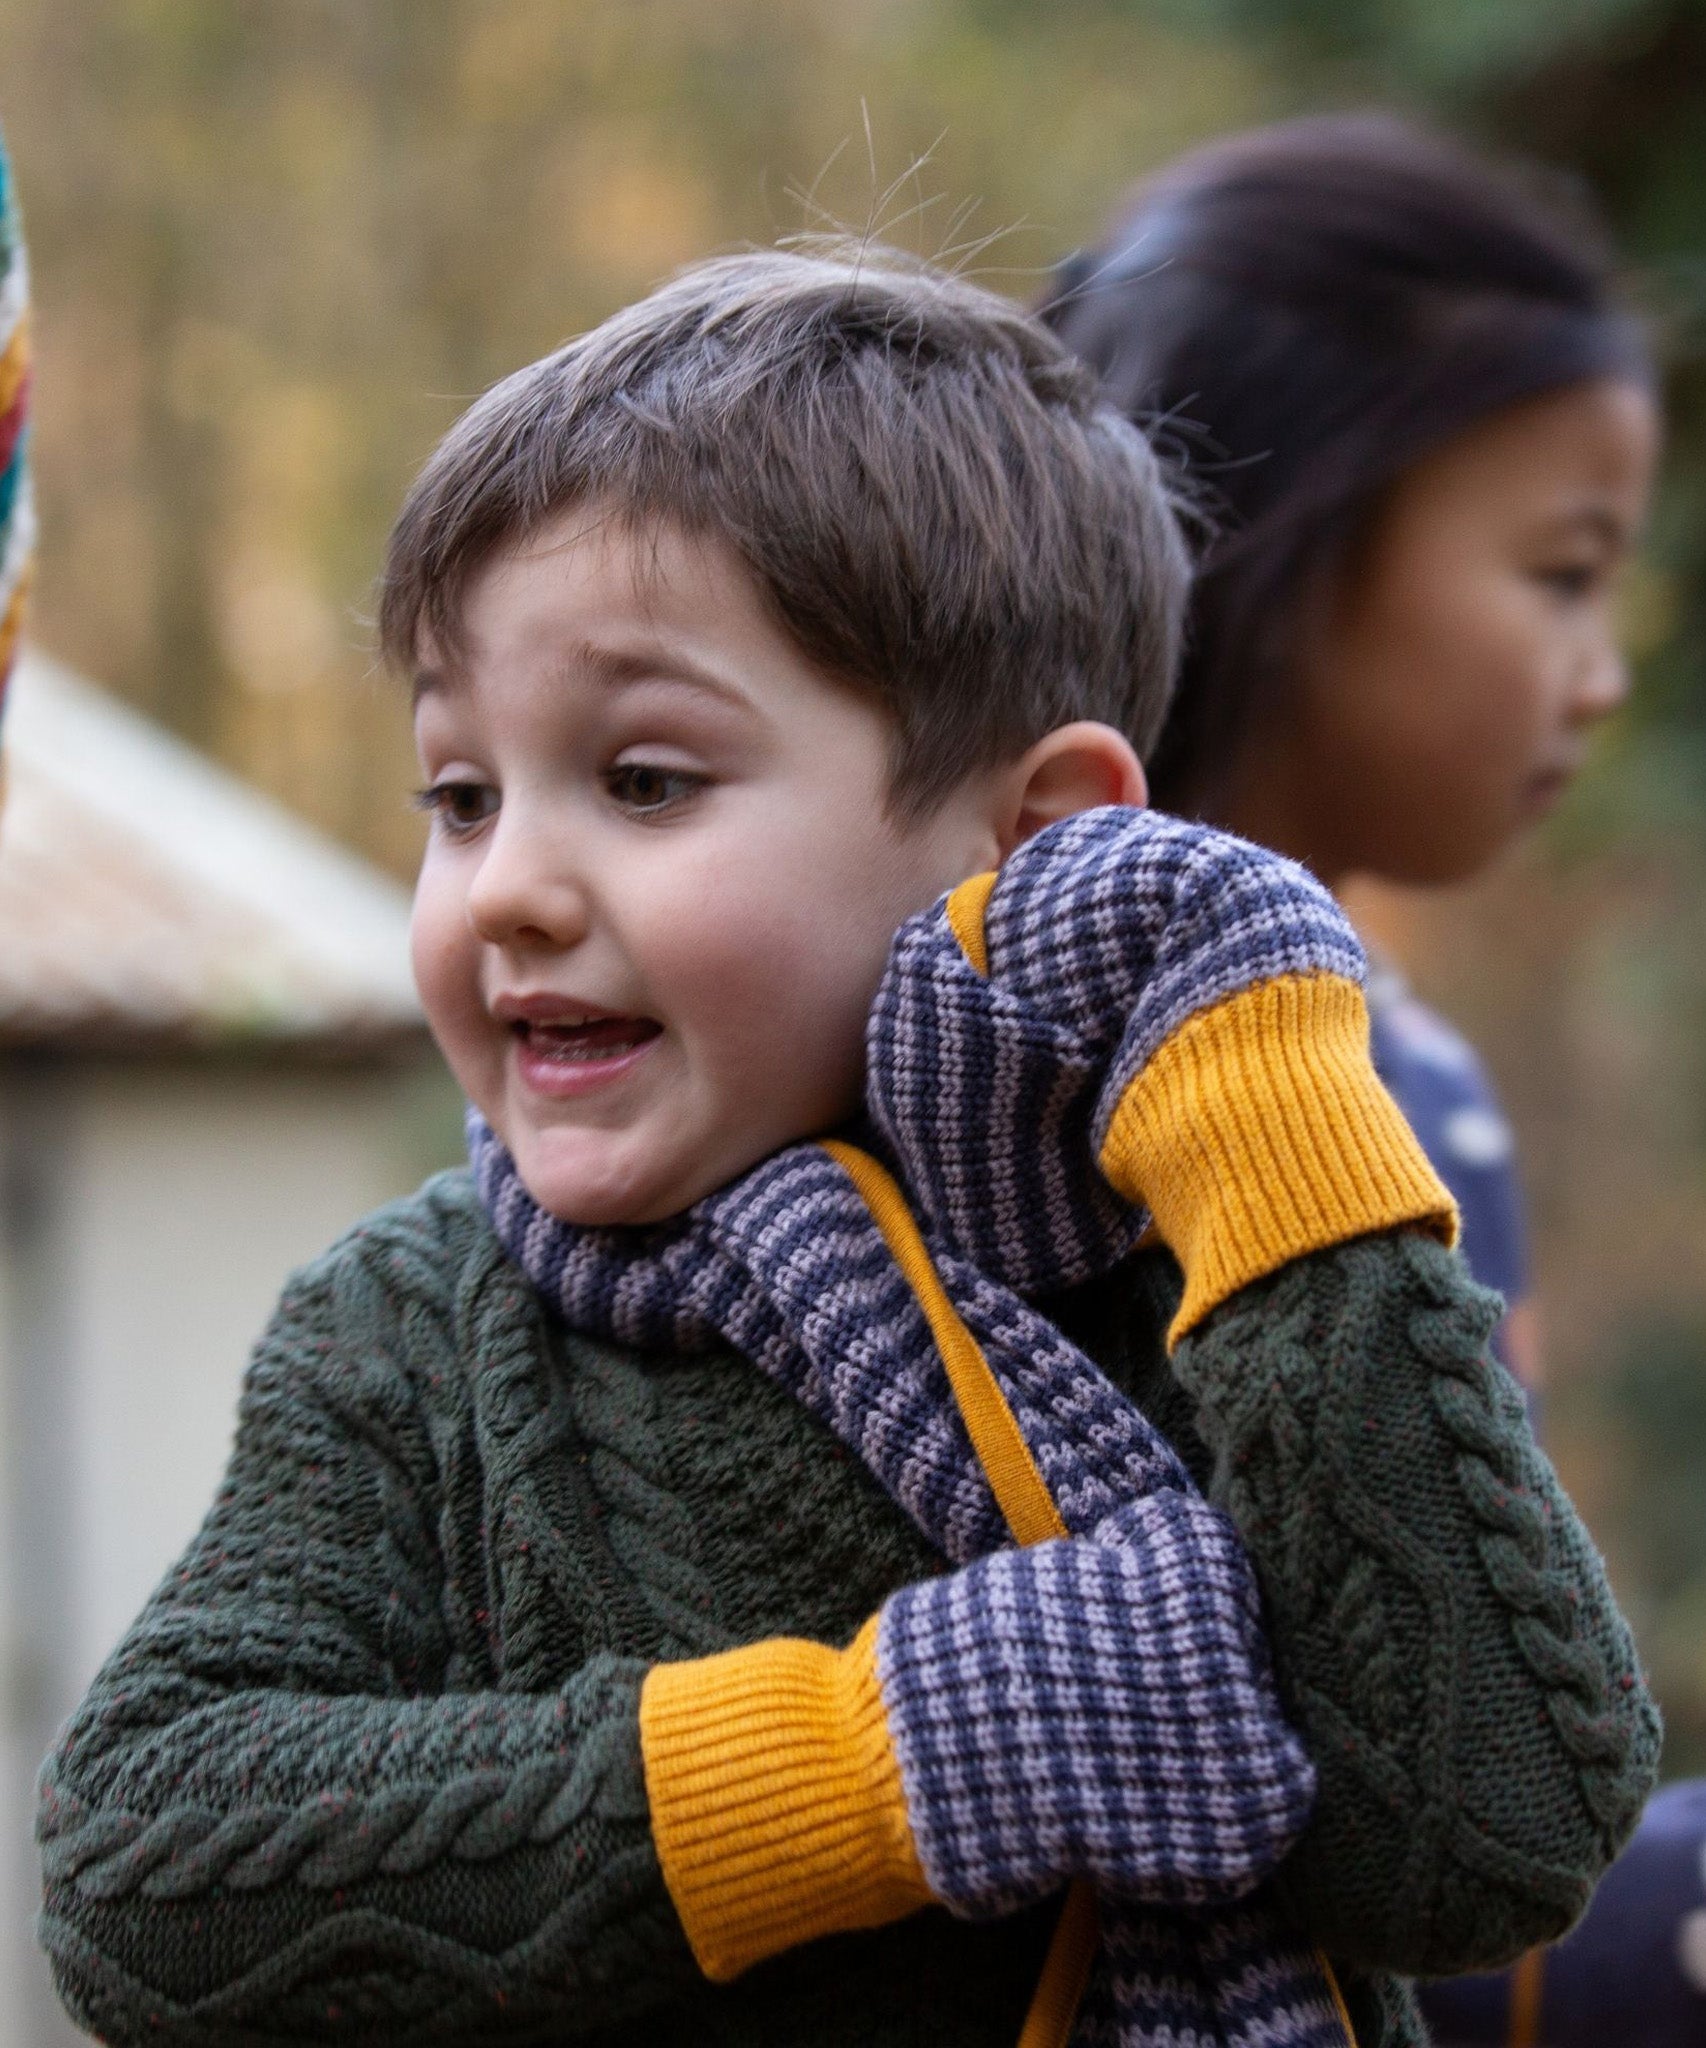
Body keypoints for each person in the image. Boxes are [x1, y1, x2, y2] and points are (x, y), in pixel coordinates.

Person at [37, 245, 1655, 2048]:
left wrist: (1264, 1110)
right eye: (460, 794)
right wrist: (870, 1764)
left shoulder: (1192, 1255)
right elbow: (141, 1872)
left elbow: (1494, 1837)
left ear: (1033, 835)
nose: (504, 888)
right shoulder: (411, 1326)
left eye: (644, 780)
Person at [1040, 111, 1697, 2045]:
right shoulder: (1003, 1072)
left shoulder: (1418, 1069)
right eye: (1560, 571)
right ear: (1290, 532)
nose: (1600, 674)